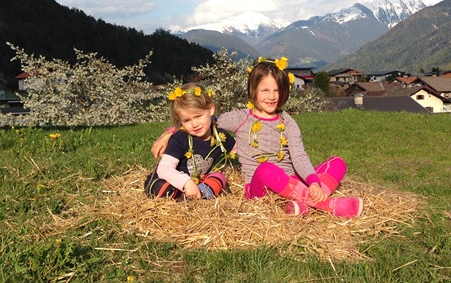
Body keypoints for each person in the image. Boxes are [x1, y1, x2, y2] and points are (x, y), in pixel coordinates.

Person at [152, 58, 362, 217]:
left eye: (277, 90)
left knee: (338, 163)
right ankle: (329, 205)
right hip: (259, 188)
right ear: (253, 90)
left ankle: (302, 204)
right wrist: (168, 134)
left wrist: (313, 182)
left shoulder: (288, 122)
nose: (271, 96)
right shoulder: (241, 118)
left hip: (291, 181)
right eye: (265, 90)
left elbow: (299, 156)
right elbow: (203, 120)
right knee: (266, 169)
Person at [145, 85, 235, 200]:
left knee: (219, 177)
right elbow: (164, 169)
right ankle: (189, 195)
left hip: (197, 181)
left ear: (211, 109)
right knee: (164, 188)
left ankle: (197, 194)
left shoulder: (220, 136)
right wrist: (186, 182)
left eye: (198, 116)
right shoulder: (179, 139)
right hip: (170, 180)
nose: (194, 124)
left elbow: (239, 148)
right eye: (187, 120)